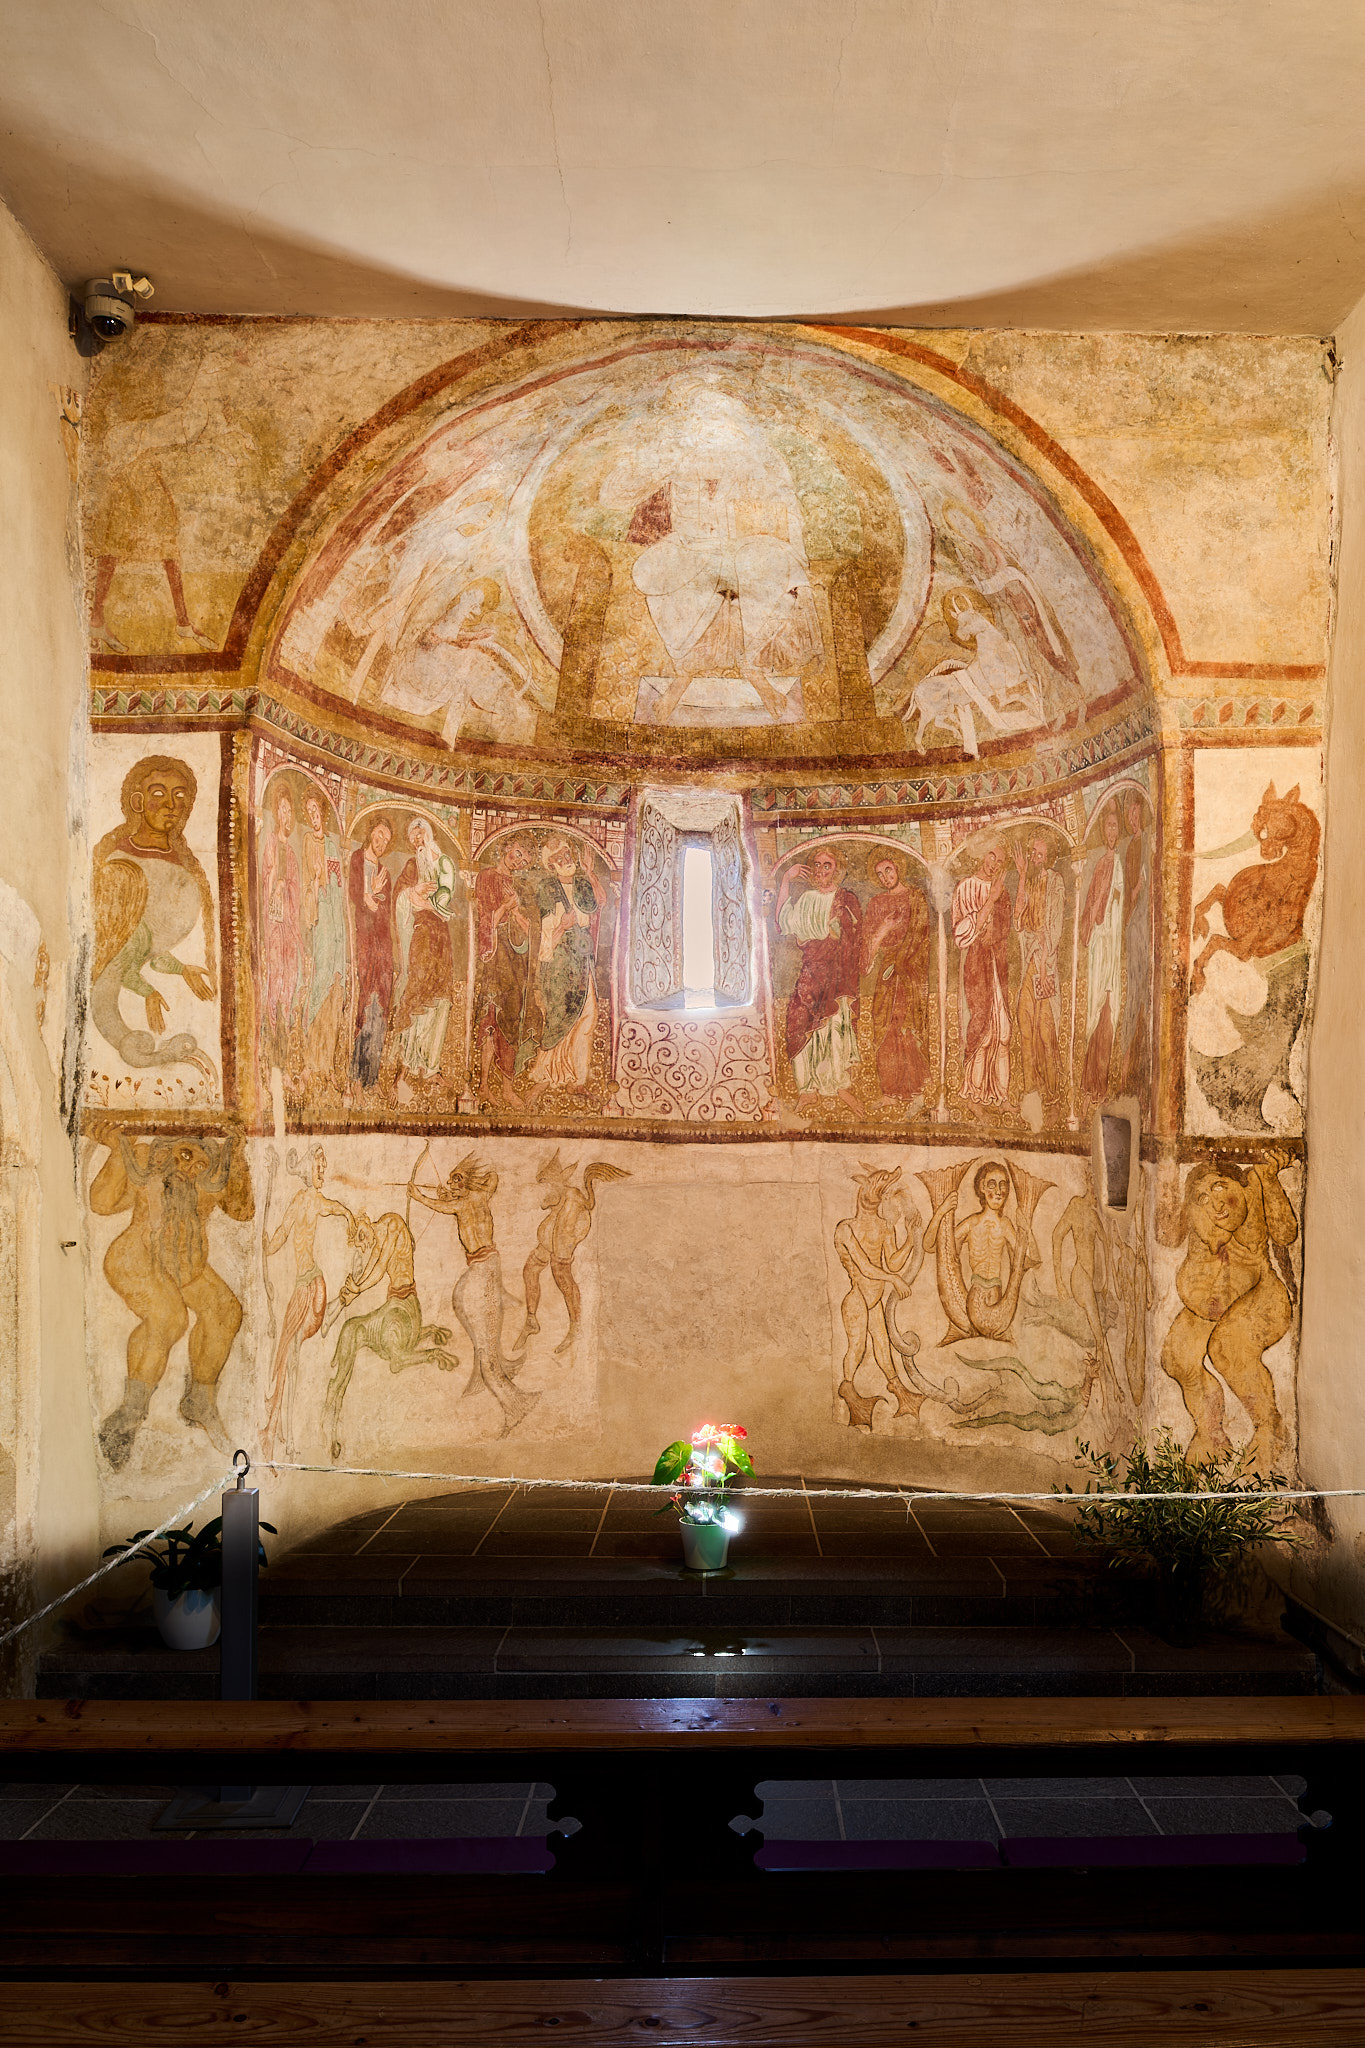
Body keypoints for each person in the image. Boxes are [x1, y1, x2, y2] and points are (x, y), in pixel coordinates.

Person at [91, 1126, 253, 1468]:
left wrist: (237, 1157)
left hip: (186, 1265)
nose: (189, 1168)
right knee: (169, 1316)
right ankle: (129, 1414)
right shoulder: (145, 1159)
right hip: (136, 1256)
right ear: (167, 1147)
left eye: (199, 1164)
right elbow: (101, 1203)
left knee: (225, 1311)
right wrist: (119, 1149)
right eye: (185, 1155)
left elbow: (243, 1211)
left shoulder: (213, 1175)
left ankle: (200, 1400)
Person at [90, 754, 218, 1084]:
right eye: (158, 793)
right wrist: (147, 992)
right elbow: (122, 957)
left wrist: (183, 969)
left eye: (180, 795)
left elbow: (149, 949)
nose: (170, 805)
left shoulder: (186, 863)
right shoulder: (120, 863)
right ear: (138, 802)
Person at [407, 1153, 537, 1434]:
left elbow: (441, 1206)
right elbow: (492, 1180)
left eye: (456, 1180)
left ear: (466, 1183)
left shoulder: (465, 1201)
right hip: (485, 1265)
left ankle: (514, 1405)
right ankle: (503, 1378)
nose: (451, 1184)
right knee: (460, 1300)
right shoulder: (480, 1197)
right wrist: (457, 1190)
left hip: (483, 1268)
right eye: (451, 1180)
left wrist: (418, 1196)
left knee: (485, 1354)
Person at [260, 1145, 352, 1459]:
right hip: (307, 1285)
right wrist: (266, 1247)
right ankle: (285, 1433)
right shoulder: (302, 1200)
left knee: (290, 1358)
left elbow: (334, 1207)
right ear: (308, 1167)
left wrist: (348, 1216)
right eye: (319, 1166)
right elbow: (282, 1233)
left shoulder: (313, 1199)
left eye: (324, 1167)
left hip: (312, 1284)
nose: (322, 1171)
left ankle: (286, 1435)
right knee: (290, 1358)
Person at [896, 588, 1044, 757]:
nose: (963, 630)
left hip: (971, 674)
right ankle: (918, 739)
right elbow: (1000, 689)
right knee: (930, 714)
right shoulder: (982, 645)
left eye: (966, 624)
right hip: (964, 681)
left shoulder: (987, 638)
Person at [775, 846, 863, 1113]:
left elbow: (855, 935)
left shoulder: (845, 898)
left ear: (837, 869)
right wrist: (786, 879)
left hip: (837, 975)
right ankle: (807, 1090)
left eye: (827, 865)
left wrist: (837, 933)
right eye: (817, 864)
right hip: (811, 973)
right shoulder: (806, 899)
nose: (821, 870)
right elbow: (783, 923)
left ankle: (840, 1085)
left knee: (835, 1027)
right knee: (800, 1024)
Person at [525, 839, 606, 1100]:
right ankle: (545, 1075)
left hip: (582, 960)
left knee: (588, 1015)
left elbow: (601, 900)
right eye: (559, 858)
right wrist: (563, 926)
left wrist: (590, 872)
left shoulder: (582, 883)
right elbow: (544, 932)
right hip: (560, 962)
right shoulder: (547, 888)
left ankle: (577, 1079)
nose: (566, 860)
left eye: (567, 854)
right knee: (559, 1017)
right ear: (551, 865)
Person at [860, 854, 930, 1105]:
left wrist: (903, 961)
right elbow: (868, 948)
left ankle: (915, 1088)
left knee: (905, 1025)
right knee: (885, 1024)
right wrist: (884, 930)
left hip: (911, 971)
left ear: (898, 868)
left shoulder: (916, 898)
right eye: (880, 874)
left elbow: (922, 936)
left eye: (888, 870)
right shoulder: (877, 902)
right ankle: (889, 1091)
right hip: (887, 971)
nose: (885, 877)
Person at [392, 817, 457, 1083]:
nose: (417, 840)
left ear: (429, 834)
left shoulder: (444, 864)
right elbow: (399, 897)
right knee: (417, 989)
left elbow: (446, 899)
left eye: (420, 834)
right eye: (413, 837)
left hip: (441, 938)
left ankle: (431, 1066)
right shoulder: (412, 866)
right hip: (421, 934)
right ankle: (406, 1065)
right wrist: (413, 892)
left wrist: (431, 904)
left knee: (441, 995)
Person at [952, 845, 1013, 1113]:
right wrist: (990, 901)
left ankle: (1001, 1094)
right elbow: (961, 935)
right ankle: (974, 1094)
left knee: (1004, 1032)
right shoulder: (965, 888)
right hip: (976, 967)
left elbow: (1007, 926)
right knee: (983, 1033)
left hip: (998, 965)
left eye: (1000, 861)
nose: (994, 864)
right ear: (981, 854)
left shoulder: (1002, 890)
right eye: (991, 856)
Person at [474, 839, 532, 1108]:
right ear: (506, 848)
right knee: (490, 1017)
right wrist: (506, 907)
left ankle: (507, 1088)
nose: (518, 861)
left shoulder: (520, 886)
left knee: (511, 1019)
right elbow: (485, 921)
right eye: (517, 853)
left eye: (524, 861)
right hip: (495, 957)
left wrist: (517, 912)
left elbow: (528, 929)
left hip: (515, 960)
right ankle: (484, 1085)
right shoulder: (486, 876)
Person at [1013, 832, 1065, 1116]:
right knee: (1025, 1022)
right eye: (1032, 852)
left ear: (1049, 858)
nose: (1034, 858)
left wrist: (1045, 966)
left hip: (1046, 963)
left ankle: (1053, 1090)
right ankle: (1030, 1088)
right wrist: (1022, 876)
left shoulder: (1055, 881)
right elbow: (1018, 922)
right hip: (1028, 960)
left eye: (1040, 855)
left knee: (1045, 1029)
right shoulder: (1030, 880)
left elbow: (1053, 929)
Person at [300, 792, 346, 1085]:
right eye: (309, 811)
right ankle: (309, 1062)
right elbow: (308, 884)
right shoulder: (308, 841)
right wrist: (317, 882)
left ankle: (327, 1063)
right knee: (320, 983)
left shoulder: (332, 845)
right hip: (321, 918)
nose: (313, 815)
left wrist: (335, 878)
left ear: (324, 813)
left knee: (335, 988)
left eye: (316, 809)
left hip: (336, 918)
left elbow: (340, 884)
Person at [1080, 802, 1125, 1100]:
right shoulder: (1099, 865)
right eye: (1107, 826)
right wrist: (1095, 914)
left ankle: (1102, 1082)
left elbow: (1117, 903)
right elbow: (1090, 908)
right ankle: (1090, 1080)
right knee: (1095, 1008)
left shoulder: (1118, 864)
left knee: (1108, 1008)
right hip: (1099, 943)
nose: (1111, 831)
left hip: (1111, 942)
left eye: (1114, 826)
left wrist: (1104, 913)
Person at [349, 818, 395, 1089]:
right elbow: (354, 895)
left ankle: (371, 1076)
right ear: (370, 833)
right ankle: (355, 1074)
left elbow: (385, 914)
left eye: (386, 840)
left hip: (381, 947)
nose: (381, 842)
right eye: (379, 835)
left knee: (379, 1005)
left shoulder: (384, 872)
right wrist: (370, 894)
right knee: (365, 1001)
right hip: (363, 941)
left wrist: (377, 900)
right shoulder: (356, 859)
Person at [260, 786, 302, 1068]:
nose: (285, 814)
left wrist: (287, 886)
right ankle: (270, 1029)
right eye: (282, 809)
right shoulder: (271, 843)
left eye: (289, 810)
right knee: (275, 971)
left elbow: (295, 888)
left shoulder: (293, 854)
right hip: (274, 922)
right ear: (276, 813)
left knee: (290, 972)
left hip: (288, 924)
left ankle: (284, 1027)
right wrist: (274, 879)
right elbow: (265, 876)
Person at [1118, 792, 1151, 1100]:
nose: (1132, 819)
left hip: (1144, 918)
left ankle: (1138, 1067)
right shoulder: (1130, 847)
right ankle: (1127, 1067)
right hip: (1133, 919)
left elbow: (1145, 881)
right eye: (1128, 814)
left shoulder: (1148, 841)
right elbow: (1130, 887)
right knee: (1134, 984)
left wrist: (1140, 889)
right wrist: (1133, 894)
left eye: (1135, 812)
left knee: (1144, 984)